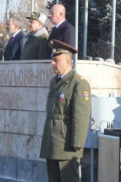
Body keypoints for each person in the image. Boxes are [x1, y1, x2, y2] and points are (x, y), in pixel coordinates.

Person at [40, 39, 91, 182]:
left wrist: (77, 144)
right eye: (52, 60)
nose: (52, 63)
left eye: (56, 60)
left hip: (67, 145)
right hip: (52, 143)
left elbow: (81, 116)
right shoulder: (55, 82)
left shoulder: (79, 84)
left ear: (68, 61)